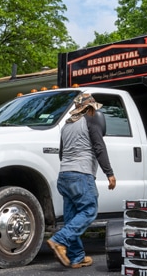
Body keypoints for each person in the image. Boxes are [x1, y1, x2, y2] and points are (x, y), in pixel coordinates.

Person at [47, 92, 116, 269]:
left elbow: (62, 154)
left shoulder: (67, 125)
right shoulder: (90, 119)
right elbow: (99, 147)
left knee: (72, 218)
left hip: (65, 175)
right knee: (89, 210)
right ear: (89, 108)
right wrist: (109, 173)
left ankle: (76, 256)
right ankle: (58, 240)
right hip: (81, 174)